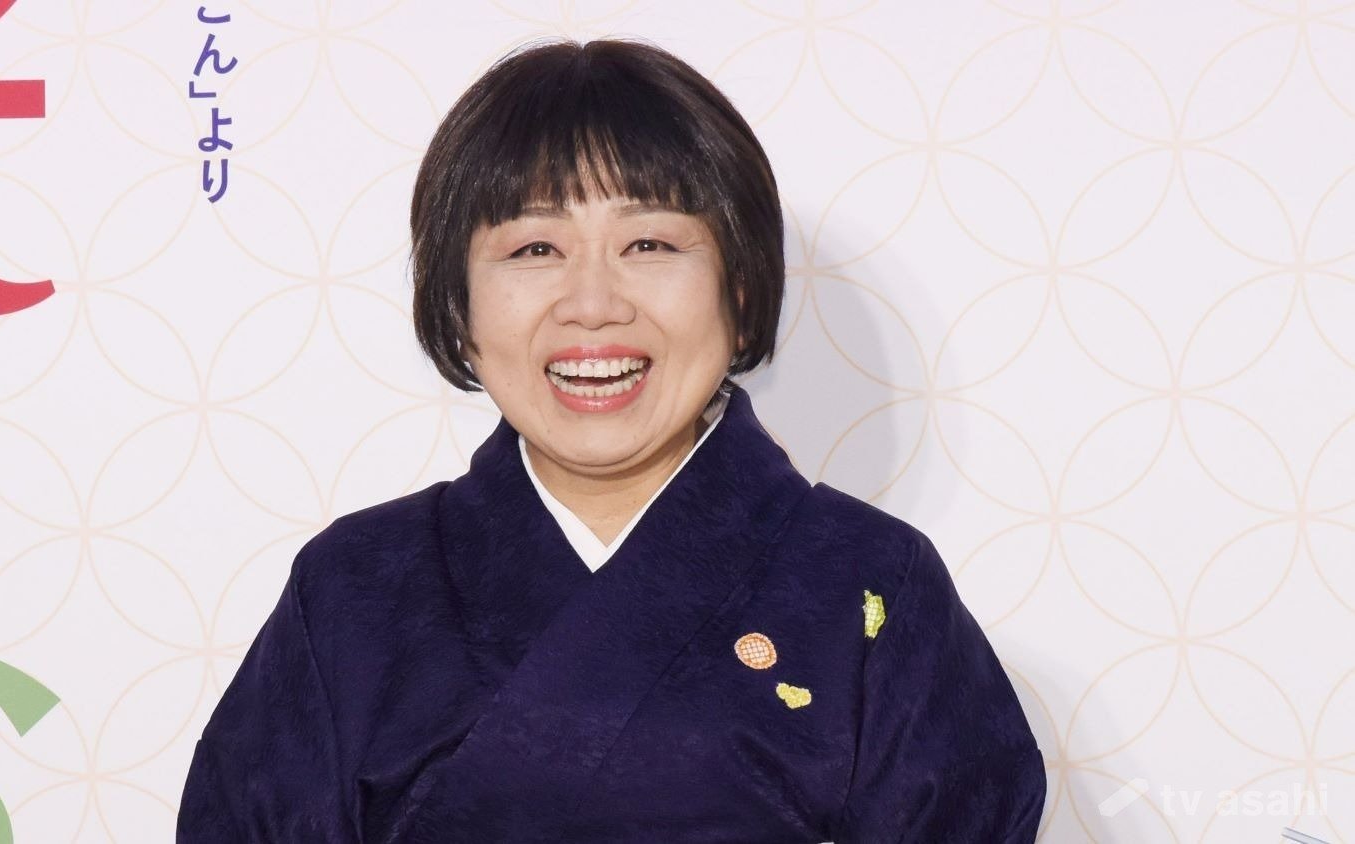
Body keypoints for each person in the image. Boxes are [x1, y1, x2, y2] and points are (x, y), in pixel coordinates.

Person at [177, 36, 1046, 843]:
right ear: (458, 306)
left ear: (741, 290)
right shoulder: (353, 588)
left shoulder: (874, 582)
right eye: (533, 250)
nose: (592, 304)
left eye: (650, 242)